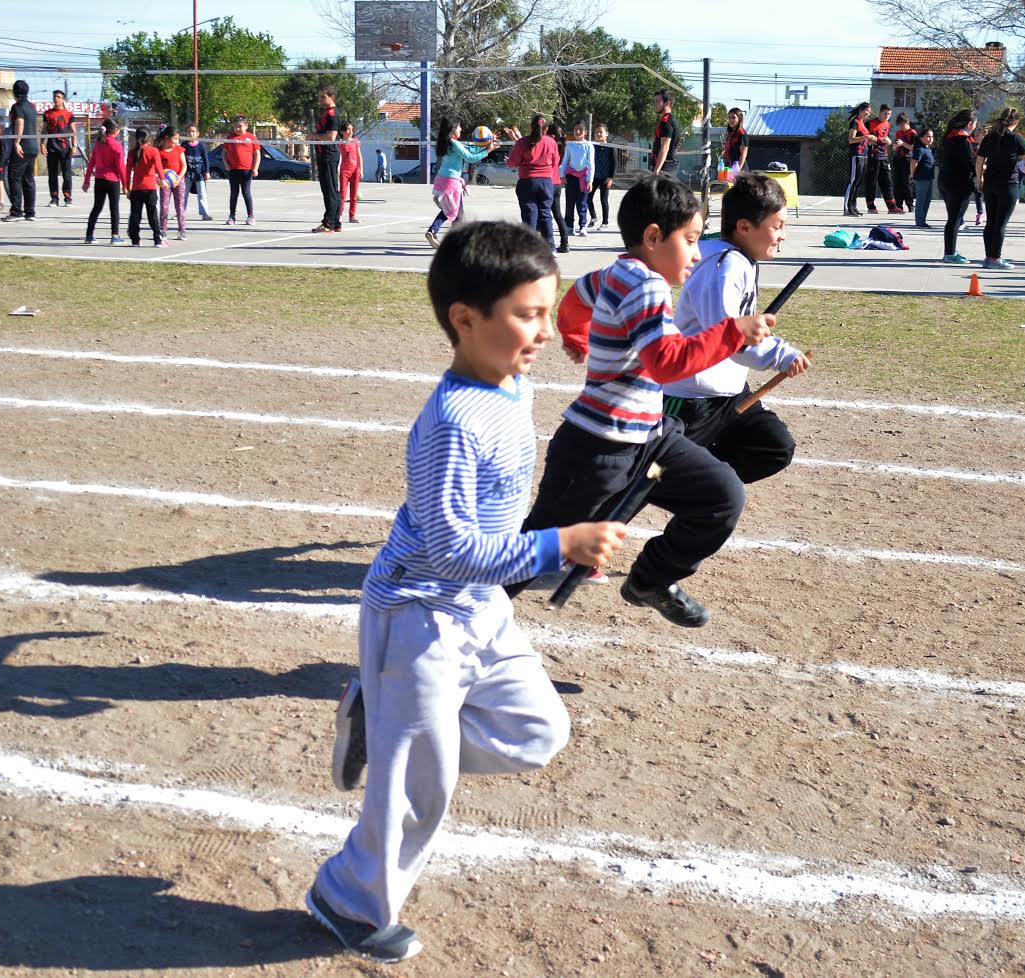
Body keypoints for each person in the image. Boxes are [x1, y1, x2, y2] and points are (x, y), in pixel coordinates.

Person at [306, 220, 627, 964]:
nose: (543, 330)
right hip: (419, 615)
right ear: (465, 319)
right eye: (527, 314)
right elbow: (451, 551)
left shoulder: (514, 382)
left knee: (537, 731)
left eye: (547, 312)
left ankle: (378, 723)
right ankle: (349, 898)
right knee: (421, 788)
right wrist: (557, 545)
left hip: (482, 608)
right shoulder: (450, 420)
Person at [513, 175, 773, 628]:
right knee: (529, 559)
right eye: (690, 241)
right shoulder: (647, 286)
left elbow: (576, 295)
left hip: (648, 439)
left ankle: (651, 580)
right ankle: (441, 620)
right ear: (653, 237)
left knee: (721, 494)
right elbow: (668, 363)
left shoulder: (616, 272)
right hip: (597, 448)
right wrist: (733, 332)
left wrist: (576, 335)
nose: (697, 253)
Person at [660, 174, 809, 495]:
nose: (783, 235)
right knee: (642, 481)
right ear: (744, 227)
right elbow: (729, 340)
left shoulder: (740, 260)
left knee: (774, 445)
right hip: (690, 400)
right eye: (776, 226)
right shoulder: (724, 268)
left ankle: (697, 485)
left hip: (728, 393)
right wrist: (781, 354)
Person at [425, 117, 493, 248]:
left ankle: (441, 235)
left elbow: (469, 151)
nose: (461, 129)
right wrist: (488, 150)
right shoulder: (454, 144)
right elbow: (470, 157)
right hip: (451, 181)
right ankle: (437, 233)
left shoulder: (447, 143)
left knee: (456, 212)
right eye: (459, 127)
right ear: (452, 129)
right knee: (454, 212)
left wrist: (486, 145)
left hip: (442, 179)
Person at [976, 107, 1025, 269]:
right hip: (1008, 183)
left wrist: (980, 180)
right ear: (1016, 122)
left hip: (990, 182)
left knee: (990, 221)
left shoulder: (989, 137)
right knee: (1001, 223)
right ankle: (995, 258)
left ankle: (988, 256)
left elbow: (979, 161)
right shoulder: (1016, 138)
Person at [503, 114, 560, 247]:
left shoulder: (522, 142)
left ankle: (529, 248)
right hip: (546, 182)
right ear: (545, 130)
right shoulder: (551, 142)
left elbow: (512, 162)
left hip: (527, 182)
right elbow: (556, 162)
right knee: (546, 214)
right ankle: (550, 247)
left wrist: (511, 162)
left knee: (530, 216)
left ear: (531, 127)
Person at [939, 110, 978, 264]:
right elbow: (970, 163)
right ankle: (950, 253)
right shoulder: (964, 140)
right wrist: (984, 166)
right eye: (975, 123)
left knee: (952, 219)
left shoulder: (949, 137)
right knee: (955, 219)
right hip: (959, 183)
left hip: (945, 180)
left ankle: (949, 251)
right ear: (970, 124)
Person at [82, 118, 126, 245]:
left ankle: (89, 235)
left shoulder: (98, 144)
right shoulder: (116, 145)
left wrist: (87, 181)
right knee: (114, 208)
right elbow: (120, 167)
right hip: (113, 180)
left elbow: (91, 163)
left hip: (99, 180)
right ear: (115, 131)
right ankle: (115, 235)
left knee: (97, 207)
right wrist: (125, 184)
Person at [2, 80, 39, 222]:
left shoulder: (17, 107)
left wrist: (17, 142)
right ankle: (30, 212)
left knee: (14, 177)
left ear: (14, 92)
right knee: (28, 179)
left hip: (22, 146)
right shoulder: (31, 107)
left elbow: (20, 123)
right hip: (32, 147)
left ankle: (16, 211)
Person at [125, 128, 163, 248]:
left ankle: (135, 240)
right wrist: (163, 180)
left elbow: (127, 171)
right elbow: (158, 168)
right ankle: (157, 239)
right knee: (152, 214)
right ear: (149, 139)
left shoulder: (132, 152)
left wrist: (127, 187)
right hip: (150, 187)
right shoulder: (153, 151)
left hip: (136, 188)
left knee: (135, 215)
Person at [313, 86, 342, 233]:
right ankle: (336, 221)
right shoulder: (326, 113)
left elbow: (331, 137)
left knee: (329, 189)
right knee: (330, 189)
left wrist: (314, 136)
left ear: (331, 97)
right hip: (323, 155)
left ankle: (328, 223)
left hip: (329, 155)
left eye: (323, 97)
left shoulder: (332, 114)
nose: (320, 99)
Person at [223, 116, 261, 225]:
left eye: (240, 126)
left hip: (247, 170)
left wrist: (255, 168)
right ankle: (232, 216)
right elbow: (224, 152)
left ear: (246, 126)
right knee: (234, 193)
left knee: (246, 192)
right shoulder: (230, 137)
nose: (237, 129)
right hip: (233, 170)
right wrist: (226, 165)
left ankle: (250, 216)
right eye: (235, 127)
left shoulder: (251, 137)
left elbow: (257, 154)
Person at [560, 120, 595, 238]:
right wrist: (562, 175)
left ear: (585, 132)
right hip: (571, 178)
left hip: (584, 178)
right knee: (570, 203)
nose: (578, 132)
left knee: (582, 203)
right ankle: (569, 227)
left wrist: (590, 180)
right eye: (576, 130)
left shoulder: (589, 145)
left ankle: (583, 227)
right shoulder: (570, 145)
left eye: (580, 129)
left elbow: (591, 164)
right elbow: (565, 161)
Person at [154, 125, 188, 243]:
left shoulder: (179, 149)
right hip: (165, 183)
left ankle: (182, 229)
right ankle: (163, 230)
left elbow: (184, 165)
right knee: (164, 206)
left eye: (178, 139)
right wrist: (160, 179)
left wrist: (178, 178)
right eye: (175, 139)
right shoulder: (159, 151)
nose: (177, 142)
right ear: (167, 138)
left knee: (180, 206)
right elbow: (156, 168)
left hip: (179, 181)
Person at [42, 90, 75, 207]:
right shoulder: (47, 114)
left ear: (63, 99)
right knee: (52, 174)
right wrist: (42, 144)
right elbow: (44, 130)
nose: (56, 99)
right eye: (54, 97)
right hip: (51, 147)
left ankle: (68, 197)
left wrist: (74, 146)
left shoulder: (69, 114)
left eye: (58, 97)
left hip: (65, 148)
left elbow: (73, 131)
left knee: (67, 174)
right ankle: (54, 198)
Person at [863, 104, 896, 214]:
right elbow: (865, 138)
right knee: (871, 182)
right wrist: (875, 140)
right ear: (880, 113)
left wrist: (889, 142)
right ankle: (871, 206)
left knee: (887, 181)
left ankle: (892, 207)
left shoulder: (888, 124)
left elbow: (886, 139)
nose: (887, 116)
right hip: (873, 156)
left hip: (884, 156)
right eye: (885, 113)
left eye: (889, 114)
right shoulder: (870, 123)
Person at [546, 123, 571, 253]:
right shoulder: (561, 146)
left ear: (551, 135)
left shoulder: (549, 146)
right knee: (558, 215)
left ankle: (547, 243)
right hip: (557, 184)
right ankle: (565, 243)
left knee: (544, 215)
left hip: (548, 183)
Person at [843, 102, 871, 217]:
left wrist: (870, 140)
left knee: (858, 183)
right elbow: (851, 139)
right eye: (866, 110)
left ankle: (853, 207)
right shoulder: (855, 122)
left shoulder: (863, 123)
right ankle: (847, 208)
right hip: (856, 155)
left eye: (869, 111)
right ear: (860, 110)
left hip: (864, 155)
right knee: (853, 181)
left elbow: (864, 139)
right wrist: (866, 137)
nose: (868, 113)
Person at [587, 123, 616, 229]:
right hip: (594, 177)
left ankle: (605, 222)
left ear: (606, 134)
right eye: (596, 132)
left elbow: (614, 163)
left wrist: (610, 177)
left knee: (603, 200)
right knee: (587, 197)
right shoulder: (592, 146)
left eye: (600, 132)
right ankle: (593, 217)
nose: (598, 134)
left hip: (605, 178)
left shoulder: (611, 147)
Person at [181, 125, 212, 222]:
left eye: (193, 131)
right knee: (183, 194)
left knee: (202, 194)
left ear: (197, 134)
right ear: (186, 133)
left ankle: (205, 214)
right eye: (189, 131)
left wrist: (207, 172)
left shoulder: (201, 146)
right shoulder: (184, 145)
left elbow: (205, 160)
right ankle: (180, 213)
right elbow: (180, 159)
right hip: (187, 173)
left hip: (199, 174)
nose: (191, 133)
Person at [891, 111, 917, 212]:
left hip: (908, 160)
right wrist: (895, 145)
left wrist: (903, 144)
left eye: (902, 124)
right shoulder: (898, 133)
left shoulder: (913, 133)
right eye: (899, 125)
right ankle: (898, 205)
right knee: (897, 183)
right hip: (898, 159)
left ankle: (910, 205)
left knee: (907, 183)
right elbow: (894, 147)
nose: (901, 127)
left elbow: (914, 148)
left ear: (907, 122)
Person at [650, 90, 679, 176]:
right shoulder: (670, 119)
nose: (654, 104)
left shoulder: (666, 121)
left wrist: (656, 170)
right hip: (667, 167)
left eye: (658, 101)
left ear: (667, 103)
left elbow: (665, 147)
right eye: (654, 101)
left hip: (664, 168)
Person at [338, 120, 362, 224]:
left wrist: (361, 169)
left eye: (352, 129)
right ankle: (339, 214)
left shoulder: (356, 141)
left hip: (355, 170)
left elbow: (359, 156)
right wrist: (337, 169)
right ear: (342, 131)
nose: (350, 132)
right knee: (342, 194)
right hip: (344, 171)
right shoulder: (340, 143)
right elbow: (338, 157)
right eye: (348, 129)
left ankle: (352, 215)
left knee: (354, 195)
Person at [912, 128, 936, 228]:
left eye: (932, 137)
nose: (930, 139)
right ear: (922, 137)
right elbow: (914, 162)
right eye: (928, 136)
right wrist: (913, 174)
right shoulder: (920, 148)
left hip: (929, 178)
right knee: (921, 200)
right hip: (922, 178)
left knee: (927, 200)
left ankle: (923, 220)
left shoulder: (928, 148)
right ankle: (919, 221)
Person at [722, 107, 748, 173]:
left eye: (733, 117)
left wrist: (737, 171)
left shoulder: (741, 134)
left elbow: (743, 154)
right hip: (728, 166)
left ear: (739, 118)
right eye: (729, 117)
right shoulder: (730, 133)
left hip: (739, 169)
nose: (731, 120)